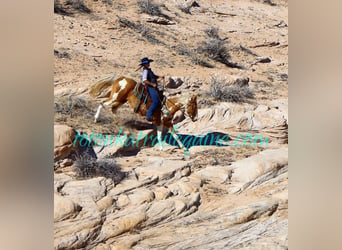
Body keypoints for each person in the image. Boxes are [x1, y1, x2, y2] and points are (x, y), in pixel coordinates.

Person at [140, 57, 164, 121]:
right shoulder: (145, 71)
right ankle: (148, 115)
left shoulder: (148, 70)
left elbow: (153, 77)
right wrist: (152, 84)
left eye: (148, 62)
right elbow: (144, 80)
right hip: (149, 87)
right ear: (144, 64)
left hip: (153, 86)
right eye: (147, 63)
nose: (148, 64)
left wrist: (159, 77)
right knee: (155, 101)